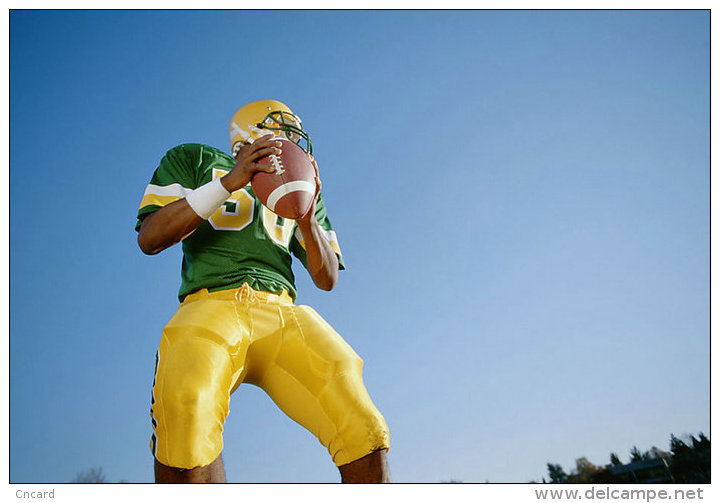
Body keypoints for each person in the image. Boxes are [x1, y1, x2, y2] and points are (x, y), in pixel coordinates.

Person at [135, 99, 390, 483]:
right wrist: (228, 183)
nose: (292, 141)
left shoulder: (300, 187)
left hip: (284, 311)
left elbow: (327, 278)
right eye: (282, 129)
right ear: (249, 133)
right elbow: (150, 237)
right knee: (186, 403)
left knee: (362, 423)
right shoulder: (195, 158)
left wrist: (306, 219)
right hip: (211, 302)